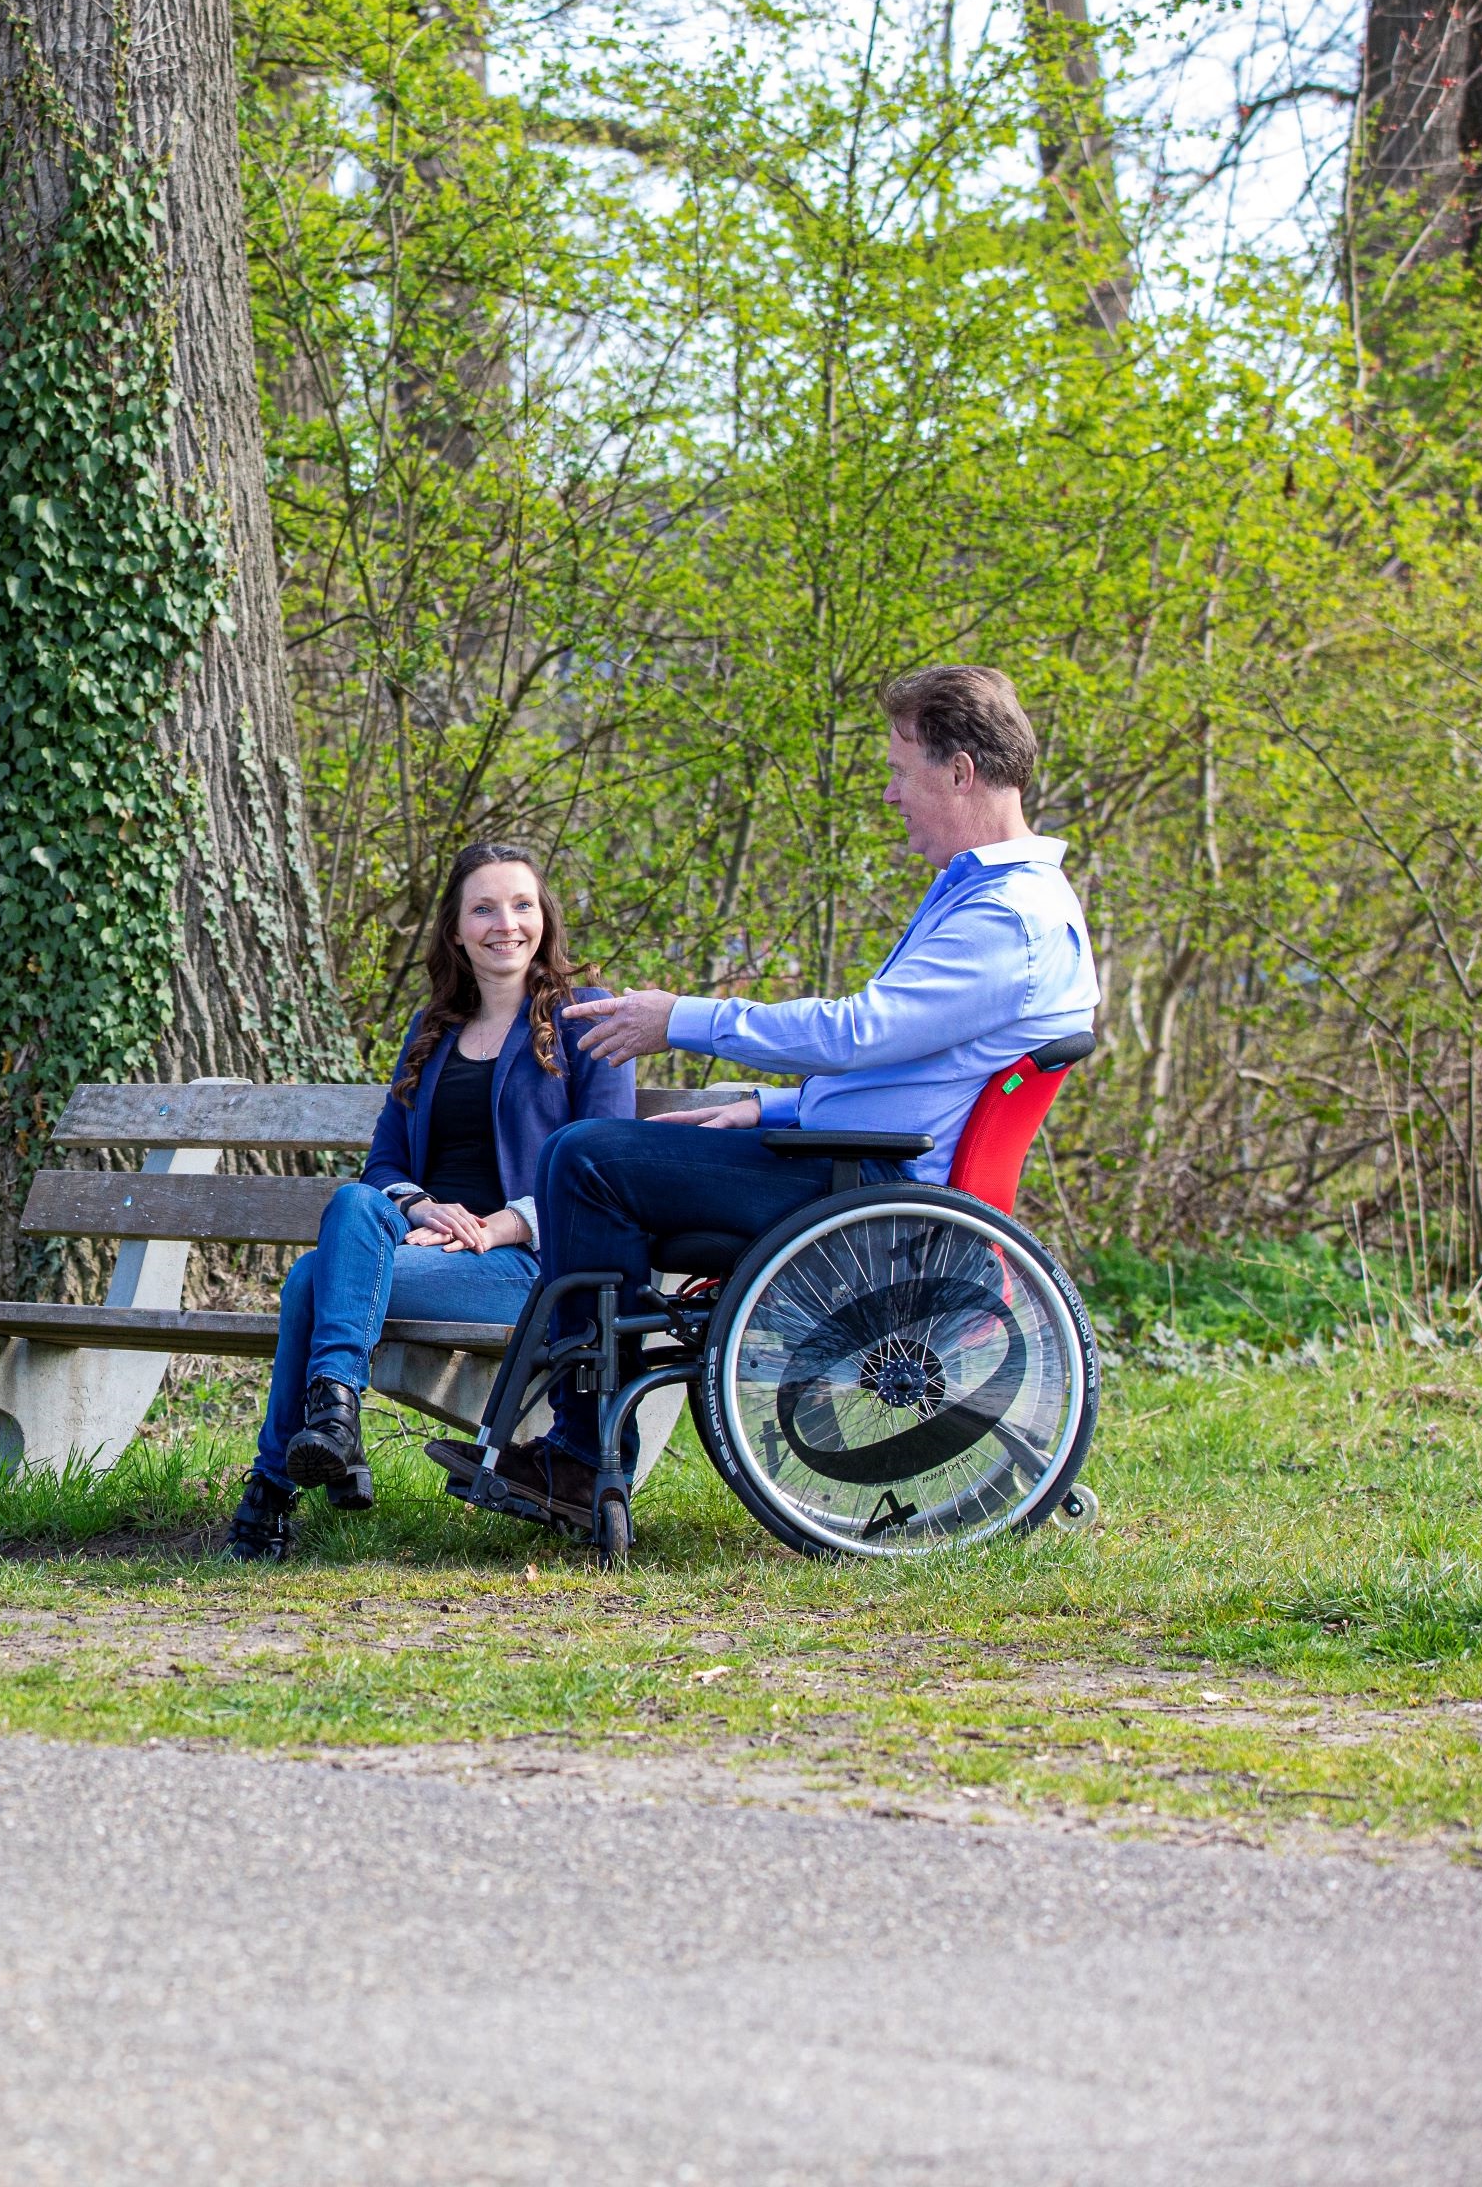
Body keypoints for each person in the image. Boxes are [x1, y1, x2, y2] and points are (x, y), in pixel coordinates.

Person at [472, 663, 1098, 1526]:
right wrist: (769, 1110)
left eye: (901, 770)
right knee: (606, 1160)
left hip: (877, 1195)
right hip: (860, 1164)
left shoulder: (1008, 923)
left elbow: (859, 1032)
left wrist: (685, 1019)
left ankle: (582, 1457)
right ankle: (593, 1418)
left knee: (585, 1159)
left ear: (961, 772)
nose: (890, 795)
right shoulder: (997, 902)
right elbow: (916, 1075)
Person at [225, 844, 633, 1562]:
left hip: (528, 1270)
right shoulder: (431, 1031)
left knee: (311, 1280)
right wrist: (419, 1210)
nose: (504, 924)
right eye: (483, 908)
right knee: (356, 1201)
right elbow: (385, 1162)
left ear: (544, 919)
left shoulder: (588, 1020)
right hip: (419, 1250)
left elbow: (608, 1166)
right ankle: (321, 1441)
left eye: (521, 905)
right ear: (455, 930)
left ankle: (280, 1485)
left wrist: (503, 1223)